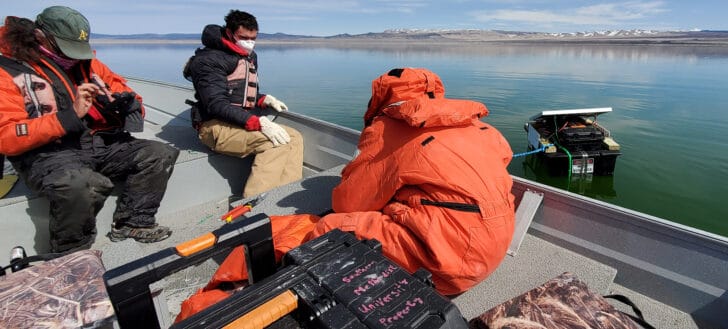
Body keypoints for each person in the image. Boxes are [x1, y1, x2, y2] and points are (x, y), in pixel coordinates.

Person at [174, 67, 516, 322]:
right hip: (494, 248)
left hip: (447, 262)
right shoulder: (478, 125)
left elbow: (348, 203)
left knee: (325, 228)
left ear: (383, 98)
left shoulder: (390, 129)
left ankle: (226, 295)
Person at [0, 6, 179, 253]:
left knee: (158, 153)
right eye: (66, 48)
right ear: (41, 37)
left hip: (97, 143)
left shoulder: (86, 63)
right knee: (81, 184)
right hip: (49, 153)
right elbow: (6, 137)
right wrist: (69, 116)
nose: (73, 56)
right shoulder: (7, 70)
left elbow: (121, 88)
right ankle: (72, 253)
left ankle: (133, 222)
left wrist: (125, 105)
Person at [184, 10, 303, 198]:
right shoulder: (207, 60)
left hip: (238, 122)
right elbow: (216, 104)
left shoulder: (249, 56)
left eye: (253, 38)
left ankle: (287, 196)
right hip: (214, 127)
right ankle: (253, 208)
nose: (249, 42)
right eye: (244, 37)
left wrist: (264, 99)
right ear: (229, 33)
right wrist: (259, 122)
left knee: (295, 137)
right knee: (275, 143)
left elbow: (243, 93)